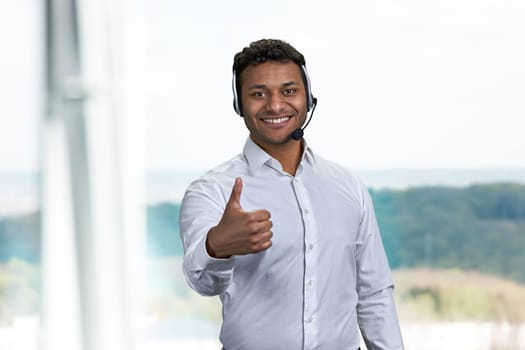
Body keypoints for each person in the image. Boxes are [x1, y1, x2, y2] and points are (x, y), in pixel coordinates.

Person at [179, 38, 404, 350]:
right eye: (258, 94)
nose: (275, 105)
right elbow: (202, 281)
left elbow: (374, 292)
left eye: (288, 91)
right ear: (239, 103)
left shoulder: (348, 186)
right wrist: (217, 246)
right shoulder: (211, 191)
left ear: (308, 97)